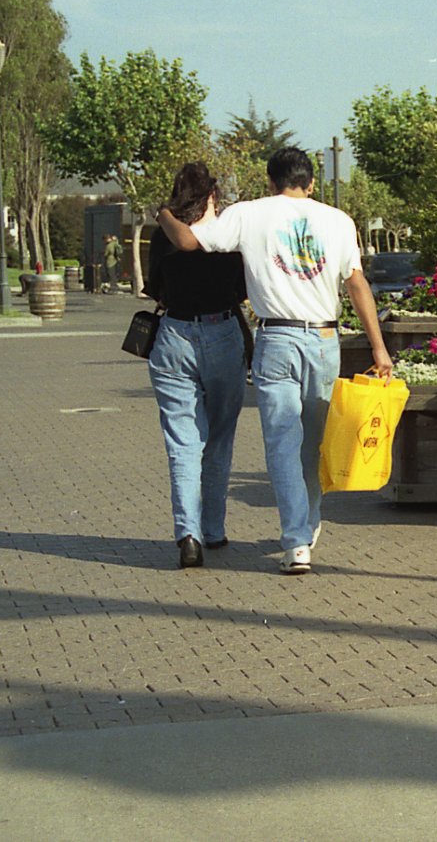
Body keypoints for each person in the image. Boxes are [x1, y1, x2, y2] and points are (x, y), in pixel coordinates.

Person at [158, 147, 392, 575]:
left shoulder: (250, 214)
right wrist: (378, 348)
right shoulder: (339, 221)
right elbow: (357, 284)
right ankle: (305, 527)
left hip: (276, 339)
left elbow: (189, 240)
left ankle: (296, 541)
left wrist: (165, 214)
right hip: (324, 339)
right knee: (313, 443)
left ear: (270, 181)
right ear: (312, 182)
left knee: (282, 443)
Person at [145, 163, 248, 569]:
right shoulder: (228, 238)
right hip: (222, 331)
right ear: (211, 196)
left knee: (182, 441)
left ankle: (188, 533)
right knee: (220, 436)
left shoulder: (163, 236)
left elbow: (156, 288)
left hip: (174, 335)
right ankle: (215, 527)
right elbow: (242, 289)